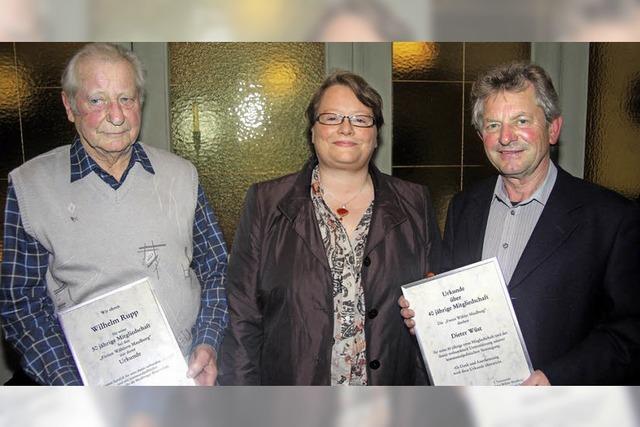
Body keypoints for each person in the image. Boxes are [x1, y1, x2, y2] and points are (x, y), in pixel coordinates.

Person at [0, 43, 228, 385]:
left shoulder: (181, 175)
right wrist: (72, 385)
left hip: (181, 376)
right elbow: (21, 302)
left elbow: (217, 270)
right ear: (69, 105)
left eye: (127, 98)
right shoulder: (31, 187)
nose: (117, 115)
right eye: (97, 100)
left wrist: (208, 343)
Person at [399, 61, 640, 385]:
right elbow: (454, 299)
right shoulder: (464, 207)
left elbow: (629, 332)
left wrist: (556, 378)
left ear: (553, 129)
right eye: (493, 125)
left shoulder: (612, 218)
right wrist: (429, 317)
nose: (506, 137)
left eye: (521, 121)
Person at [219, 70, 441, 385]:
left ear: (376, 134)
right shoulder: (266, 203)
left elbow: (435, 316)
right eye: (332, 117)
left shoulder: (415, 202)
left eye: (361, 119)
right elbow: (242, 318)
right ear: (312, 131)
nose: (346, 128)